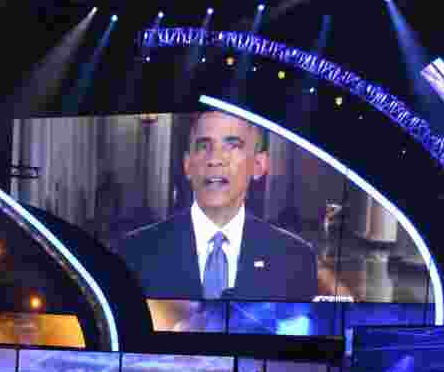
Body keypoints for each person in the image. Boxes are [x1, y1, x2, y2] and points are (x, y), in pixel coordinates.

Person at [120, 110, 318, 301]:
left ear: (259, 165)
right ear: (188, 165)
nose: (214, 159)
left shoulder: (295, 259)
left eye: (233, 145)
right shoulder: (135, 251)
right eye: (204, 146)